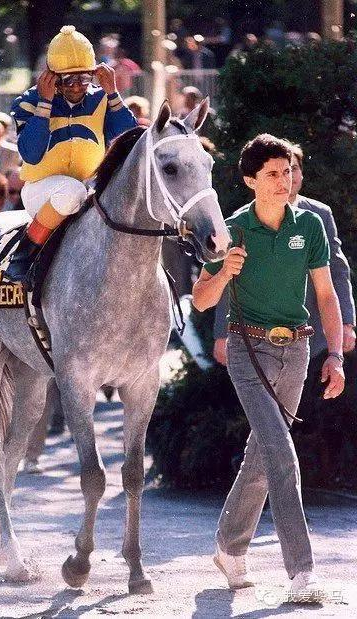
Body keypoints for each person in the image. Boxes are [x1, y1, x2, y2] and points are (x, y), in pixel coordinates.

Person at [192, 134, 345, 600]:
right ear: (250, 180)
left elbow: (326, 295)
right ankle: (302, 571)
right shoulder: (232, 230)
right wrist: (224, 271)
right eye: (274, 174)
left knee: (262, 455)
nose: (285, 181)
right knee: (280, 454)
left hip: (296, 351)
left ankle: (228, 545)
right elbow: (200, 300)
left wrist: (335, 355)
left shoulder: (310, 225)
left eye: (289, 171)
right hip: (248, 351)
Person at [6, 25, 137, 281]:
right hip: (42, 190)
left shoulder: (102, 99)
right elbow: (31, 154)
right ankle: (24, 253)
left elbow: (129, 139)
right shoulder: (27, 102)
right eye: (68, 80)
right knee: (72, 191)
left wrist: (113, 93)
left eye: (84, 79)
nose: (77, 87)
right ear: (52, 77)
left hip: (89, 188)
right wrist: (45, 103)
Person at [213, 143, 355, 365]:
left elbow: (337, 271)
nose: (287, 177)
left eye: (292, 169)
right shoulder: (240, 222)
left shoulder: (319, 216)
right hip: (259, 337)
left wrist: (346, 321)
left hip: (314, 334)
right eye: (274, 173)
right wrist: (222, 332)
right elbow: (230, 280)